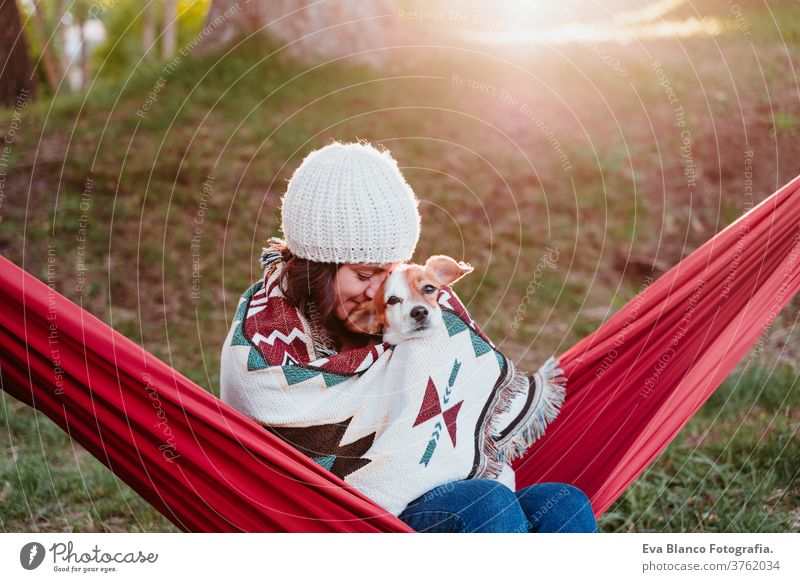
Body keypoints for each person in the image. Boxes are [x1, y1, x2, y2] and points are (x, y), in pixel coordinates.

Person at [221, 139, 597, 533]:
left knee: (564, 506)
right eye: (365, 275)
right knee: (485, 505)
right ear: (314, 268)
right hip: (346, 523)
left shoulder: (411, 298)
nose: (378, 291)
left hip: (446, 499)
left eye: (390, 270)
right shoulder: (263, 349)